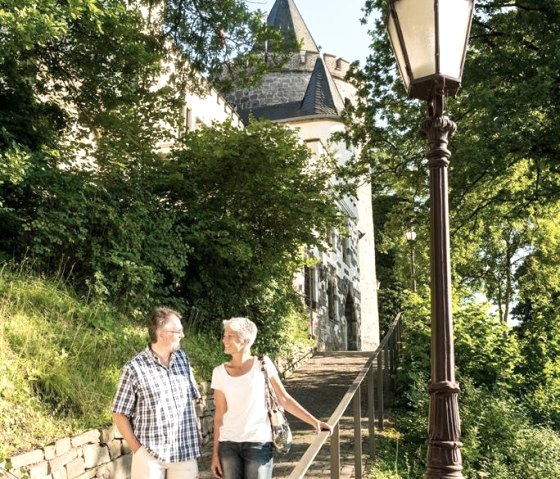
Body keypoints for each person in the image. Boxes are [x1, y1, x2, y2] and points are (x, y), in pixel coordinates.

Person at [211, 317, 332, 479]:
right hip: (228, 445)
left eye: (230, 336)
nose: (224, 340)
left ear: (246, 341)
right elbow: (219, 415)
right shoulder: (218, 372)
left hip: (258, 443)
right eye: (225, 335)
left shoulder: (262, 364)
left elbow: (284, 399)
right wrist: (214, 454)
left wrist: (314, 422)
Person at [111, 307, 201, 479]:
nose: (183, 335)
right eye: (178, 331)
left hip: (185, 452)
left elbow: (192, 401)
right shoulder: (134, 369)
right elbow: (119, 413)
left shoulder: (183, 359)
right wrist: (138, 450)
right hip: (150, 456)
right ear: (162, 334)